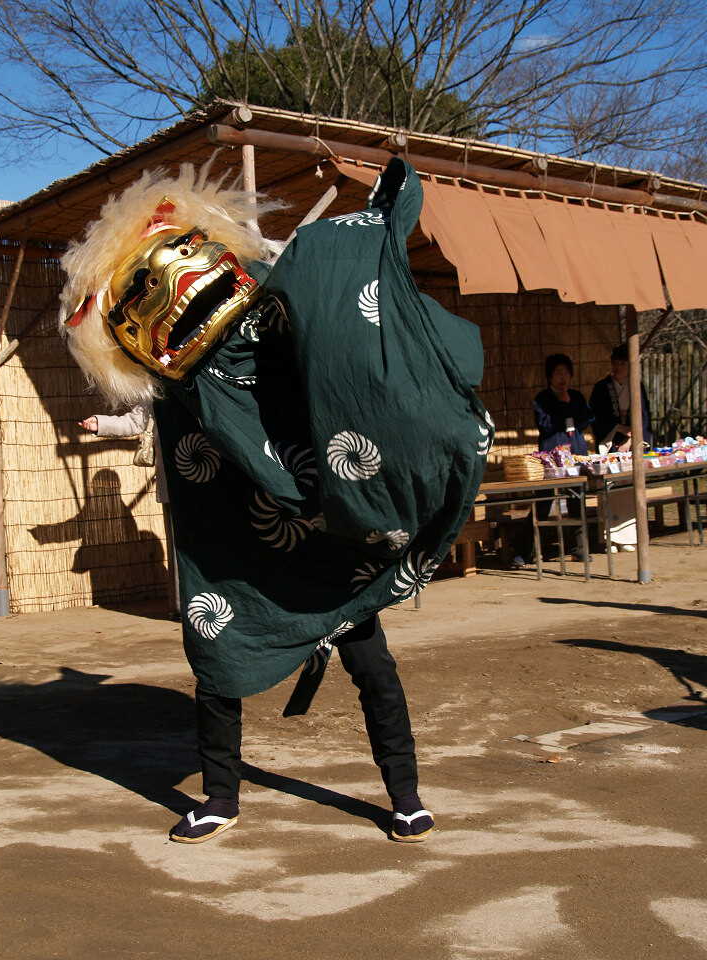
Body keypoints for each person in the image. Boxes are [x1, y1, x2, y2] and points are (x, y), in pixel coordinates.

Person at [58, 158, 493, 844]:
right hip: (238, 527)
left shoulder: (270, 301)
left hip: (324, 521)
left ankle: (404, 792)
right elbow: (147, 415)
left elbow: (329, 310)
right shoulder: (177, 379)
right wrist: (113, 422)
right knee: (219, 653)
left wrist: (367, 228)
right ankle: (221, 797)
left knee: (370, 661)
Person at [78, 403, 180, 617]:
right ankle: (183, 608)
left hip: (208, 474)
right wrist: (101, 423)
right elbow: (135, 422)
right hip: (173, 478)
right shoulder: (155, 386)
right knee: (178, 547)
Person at [589, 343, 653, 552]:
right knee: (610, 491)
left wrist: (632, 439)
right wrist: (618, 427)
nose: (618, 367)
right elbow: (596, 417)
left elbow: (644, 416)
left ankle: (629, 536)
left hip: (630, 444)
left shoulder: (636, 386)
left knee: (630, 491)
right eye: (615, 363)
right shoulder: (602, 388)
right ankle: (609, 537)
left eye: (623, 364)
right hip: (610, 442)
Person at [532, 353, 594, 561]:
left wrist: (570, 403)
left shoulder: (576, 396)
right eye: (559, 373)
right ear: (550, 375)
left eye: (566, 373)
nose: (563, 378)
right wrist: (562, 405)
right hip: (551, 455)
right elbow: (546, 424)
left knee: (577, 499)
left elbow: (585, 420)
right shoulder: (542, 399)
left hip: (574, 452)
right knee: (543, 501)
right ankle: (528, 550)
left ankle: (579, 548)